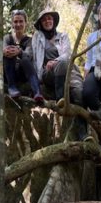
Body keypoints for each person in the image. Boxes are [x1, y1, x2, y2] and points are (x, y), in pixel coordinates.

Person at [30, 9, 87, 139]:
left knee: (79, 94)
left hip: (68, 72)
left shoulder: (63, 36)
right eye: (44, 20)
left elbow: (67, 54)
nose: (47, 21)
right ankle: (60, 98)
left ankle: (83, 133)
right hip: (47, 73)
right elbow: (33, 57)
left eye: (49, 18)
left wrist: (55, 61)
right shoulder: (37, 38)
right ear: (40, 24)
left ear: (54, 21)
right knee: (61, 66)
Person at [3, 9, 44, 103]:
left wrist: (19, 52)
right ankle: (12, 87)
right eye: (15, 21)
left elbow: (29, 55)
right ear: (12, 24)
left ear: (25, 23)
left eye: (21, 21)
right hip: (8, 71)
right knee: (9, 53)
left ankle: (37, 91)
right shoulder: (7, 38)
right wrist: (6, 51)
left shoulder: (30, 40)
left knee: (25, 59)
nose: (18, 24)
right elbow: (3, 49)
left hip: (23, 73)